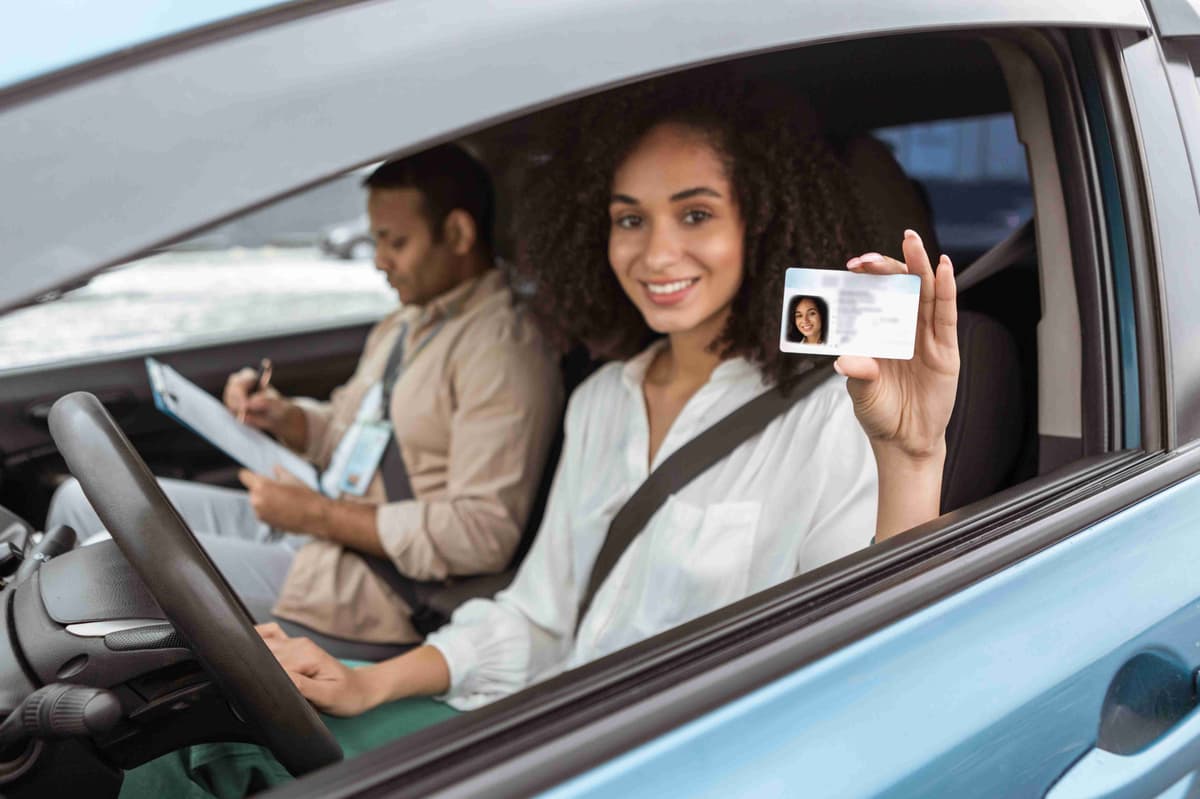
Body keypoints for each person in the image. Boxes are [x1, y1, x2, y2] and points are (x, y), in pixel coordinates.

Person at [121, 77, 957, 797]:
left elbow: (870, 668)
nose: (655, 251)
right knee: (193, 743)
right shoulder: (601, 398)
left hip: (667, 765)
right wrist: (368, 681)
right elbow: (541, 616)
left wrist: (912, 457)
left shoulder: (833, 414)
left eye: (696, 213)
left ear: (766, 225)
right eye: (629, 219)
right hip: (540, 718)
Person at [48, 144, 563, 646]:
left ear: (456, 232)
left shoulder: (503, 350)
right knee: (80, 499)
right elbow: (351, 428)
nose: (379, 261)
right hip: (319, 526)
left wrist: (315, 515)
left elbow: (482, 534)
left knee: (108, 566)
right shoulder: (406, 323)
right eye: (376, 241)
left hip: (374, 586)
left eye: (395, 242)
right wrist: (286, 419)